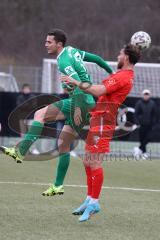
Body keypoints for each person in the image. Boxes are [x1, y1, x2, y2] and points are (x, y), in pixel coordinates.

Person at [0, 29, 113, 196]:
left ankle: (21, 151)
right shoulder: (72, 51)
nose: (46, 45)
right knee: (63, 145)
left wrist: (73, 87)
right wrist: (111, 73)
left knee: (40, 115)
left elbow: (78, 82)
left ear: (59, 44)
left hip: (80, 101)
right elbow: (96, 59)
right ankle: (58, 185)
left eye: (49, 42)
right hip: (86, 102)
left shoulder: (63, 61)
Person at [61, 43, 141, 221]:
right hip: (99, 118)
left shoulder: (123, 76)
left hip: (105, 121)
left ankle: (94, 203)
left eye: (120, 53)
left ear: (126, 57)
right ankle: (89, 199)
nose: (118, 56)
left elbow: (98, 90)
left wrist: (75, 81)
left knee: (95, 162)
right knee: (87, 160)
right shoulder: (121, 75)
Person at [134, 89, 157, 160]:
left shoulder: (152, 103)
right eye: (145, 94)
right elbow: (136, 114)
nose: (146, 96)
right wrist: (137, 123)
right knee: (142, 139)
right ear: (143, 95)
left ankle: (138, 149)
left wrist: (153, 123)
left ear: (149, 95)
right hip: (141, 125)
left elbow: (154, 114)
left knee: (148, 138)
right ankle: (144, 153)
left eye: (147, 94)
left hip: (150, 125)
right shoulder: (139, 103)